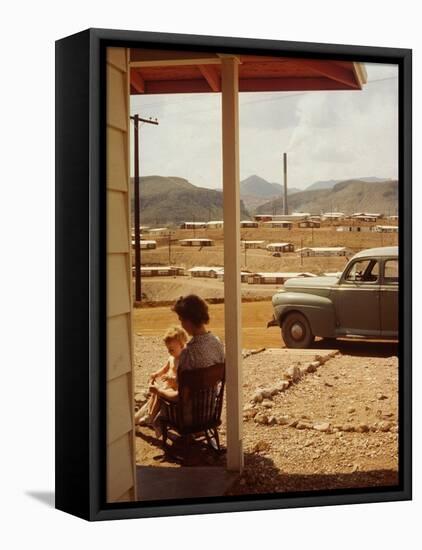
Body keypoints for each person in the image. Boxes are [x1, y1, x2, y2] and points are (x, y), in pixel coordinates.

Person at [135, 325, 188, 437]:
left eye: (172, 349)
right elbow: (164, 369)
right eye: (168, 349)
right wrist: (156, 374)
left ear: (182, 345)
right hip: (168, 386)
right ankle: (150, 414)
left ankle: (151, 417)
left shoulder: (184, 360)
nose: (169, 352)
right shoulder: (172, 358)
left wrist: (172, 378)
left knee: (159, 393)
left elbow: (184, 378)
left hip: (175, 388)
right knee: (155, 393)